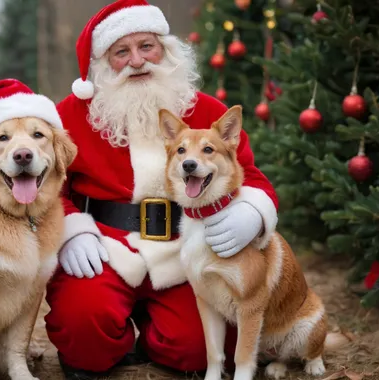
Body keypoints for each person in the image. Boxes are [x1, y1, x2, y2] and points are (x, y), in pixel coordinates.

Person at [44, 0, 279, 378]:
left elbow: (251, 178)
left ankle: (153, 335)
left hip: (186, 248)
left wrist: (251, 213)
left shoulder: (204, 109)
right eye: (122, 51)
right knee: (84, 336)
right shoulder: (68, 116)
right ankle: (112, 337)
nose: (137, 60)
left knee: (199, 351)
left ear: (167, 50)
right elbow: (46, 188)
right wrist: (70, 230)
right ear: (104, 63)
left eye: (147, 46)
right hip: (103, 246)